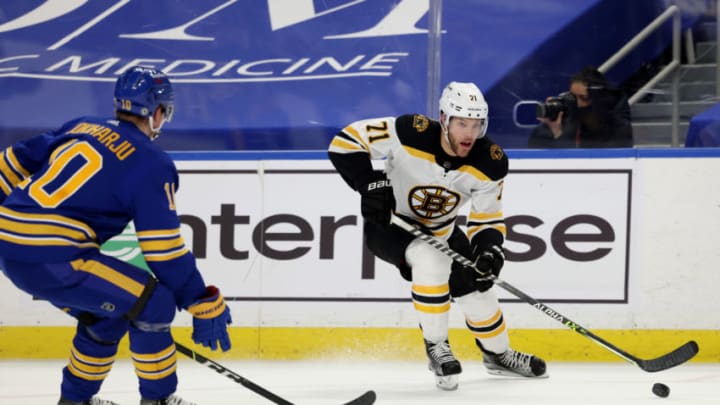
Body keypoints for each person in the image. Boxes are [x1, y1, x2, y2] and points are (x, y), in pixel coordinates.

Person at [0, 66, 232, 405]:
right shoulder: (152, 162)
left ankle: (74, 401)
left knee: (108, 315)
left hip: (8, 247)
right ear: (156, 113)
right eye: (164, 113)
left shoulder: (81, 125)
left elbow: (13, 160)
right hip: (57, 259)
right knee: (155, 302)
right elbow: (163, 252)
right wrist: (199, 299)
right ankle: (159, 400)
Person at [328, 81, 547, 391]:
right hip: (390, 226)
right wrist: (370, 183)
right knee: (431, 260)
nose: (469, 133)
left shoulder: (490, 161)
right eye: (461, 123)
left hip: (443, 232)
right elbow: (345, 141)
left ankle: (499, 356)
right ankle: (437, 347)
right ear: (444, 119)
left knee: (479, 294)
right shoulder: (409, 132)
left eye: (476, 124)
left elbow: (487, 218)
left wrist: (488, 251)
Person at [528, 65, 634, 148]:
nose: (577, 103)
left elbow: (586, 165)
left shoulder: (618, 129)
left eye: (584, 98)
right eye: (573, 97)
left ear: (598, 100)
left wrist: (560, 136)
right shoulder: (564, 121)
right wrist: (553, 127)